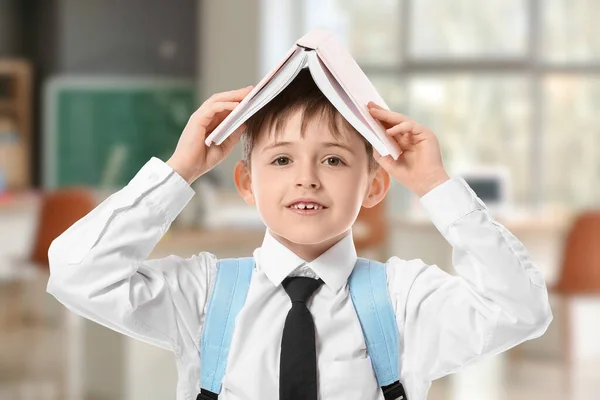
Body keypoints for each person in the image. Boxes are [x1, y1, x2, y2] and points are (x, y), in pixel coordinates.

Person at [47, 69, 553, 400]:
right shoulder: (204, 294)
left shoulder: (403, 299)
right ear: (247, 183)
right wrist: (180, 171)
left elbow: (520, 310)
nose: (305, 177)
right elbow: (76, 273)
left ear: (375, 185)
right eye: (282, 159)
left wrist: (434, 186)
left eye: (333, 159)